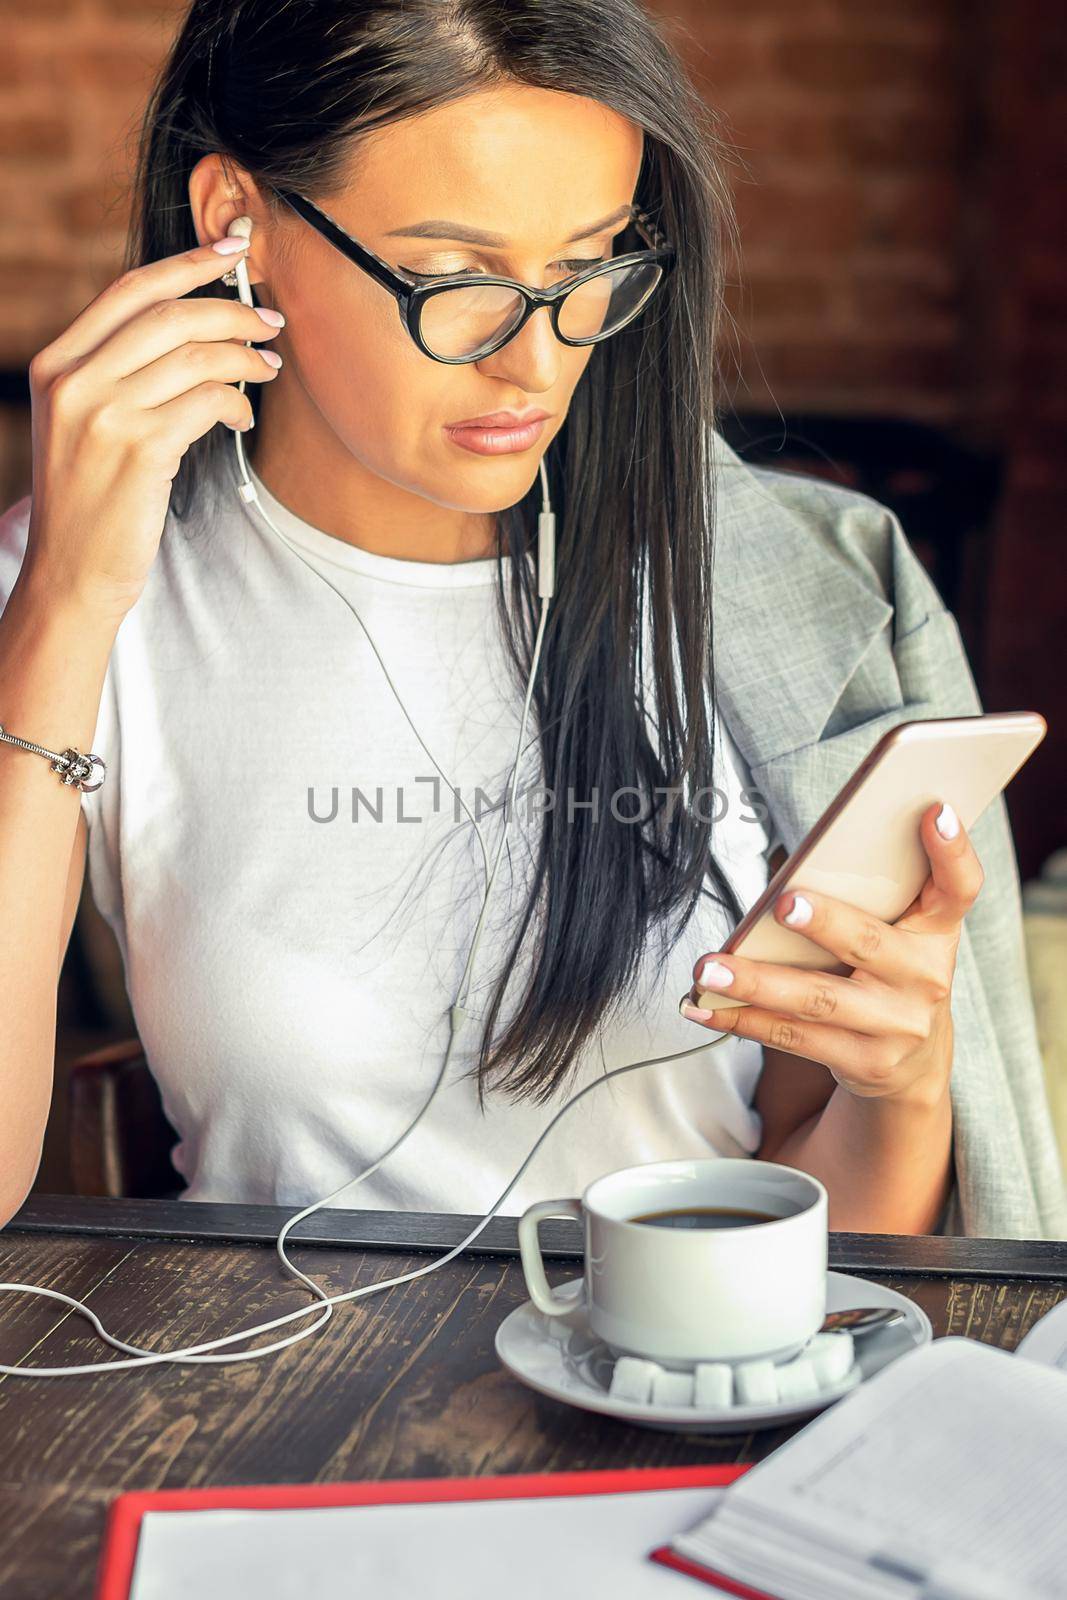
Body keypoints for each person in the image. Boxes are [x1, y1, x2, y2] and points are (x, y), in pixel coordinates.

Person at [0, 0, 1063, 1240]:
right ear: (239, 220)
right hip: (297, 1403)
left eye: (585, 268)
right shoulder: (81, 590)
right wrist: (65, 610)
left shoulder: (786, 593)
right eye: (457, 280)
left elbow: (821, 1223)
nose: (538, 366)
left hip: (697, 1396)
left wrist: (902, 1082)